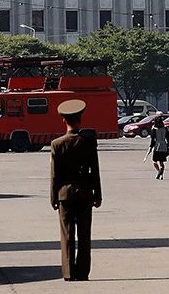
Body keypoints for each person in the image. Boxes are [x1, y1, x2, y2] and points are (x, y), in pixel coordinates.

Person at [50, 99, 102, 282]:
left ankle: (68, 272)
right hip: (85, 193)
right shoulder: (87, 143)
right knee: (84, 235)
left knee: (67, 235)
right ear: (80, 120)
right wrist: (98, 194)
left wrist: (53, 197)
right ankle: (82, 272)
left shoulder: (57, 144)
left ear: (64, 120)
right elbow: (95, 170)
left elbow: (55, 175)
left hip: (64, 194)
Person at [148, 115, 169, 179]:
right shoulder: (165, 129)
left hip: (157, 146)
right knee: (161, 162)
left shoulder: (154, 129)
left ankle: (159, 171)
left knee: (154, 161)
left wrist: (150, 147)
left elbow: (153, 140)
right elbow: (168, 138)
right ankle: (161, 175)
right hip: (164, 146)